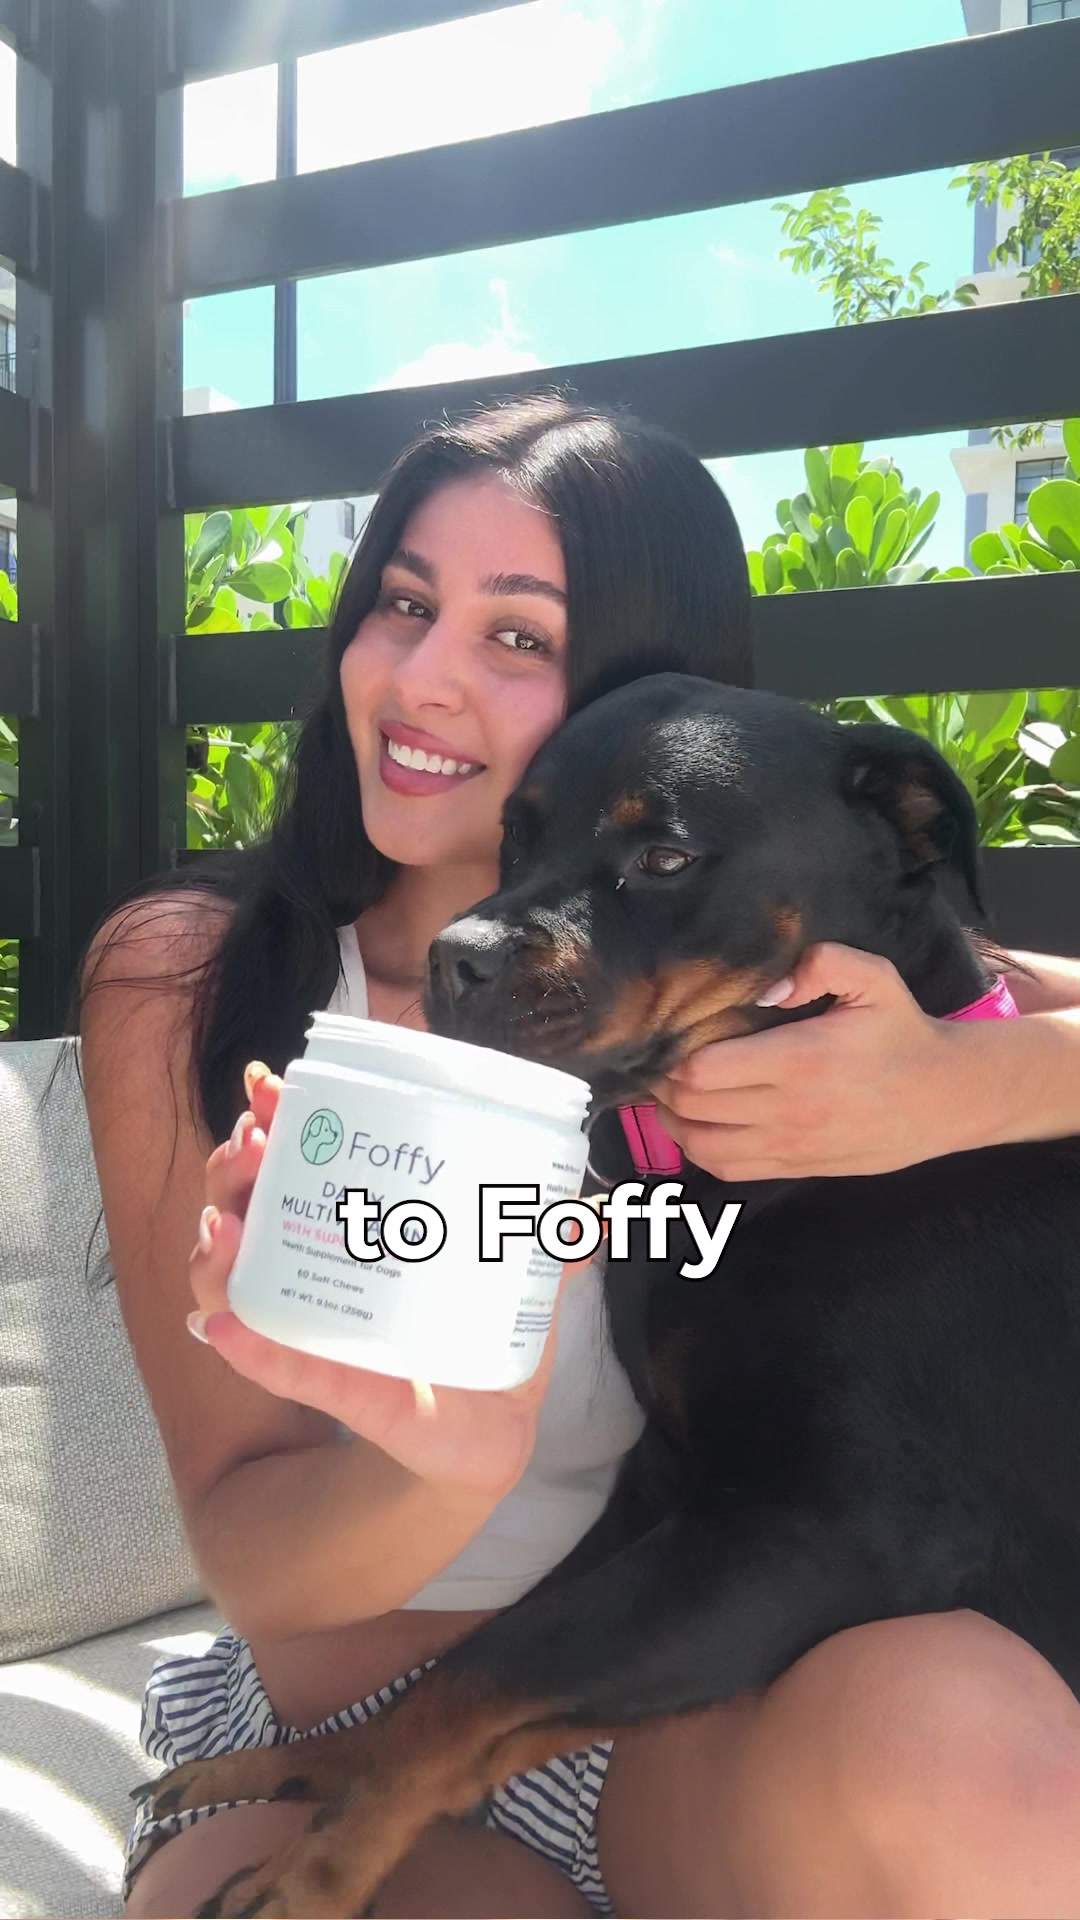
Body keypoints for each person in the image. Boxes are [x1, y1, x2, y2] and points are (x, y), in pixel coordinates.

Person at [79, 395, 1080, 1920]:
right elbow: (254, 1559)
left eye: (516, 636)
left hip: (689, 1722)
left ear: (642, 691)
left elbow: (996, 1005)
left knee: (976, 1755)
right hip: (348, 1723)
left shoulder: (766, 958)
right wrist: (445, 1469)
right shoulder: (198, 977)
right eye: (402, 602)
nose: (422, 677)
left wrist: (966, 1082)